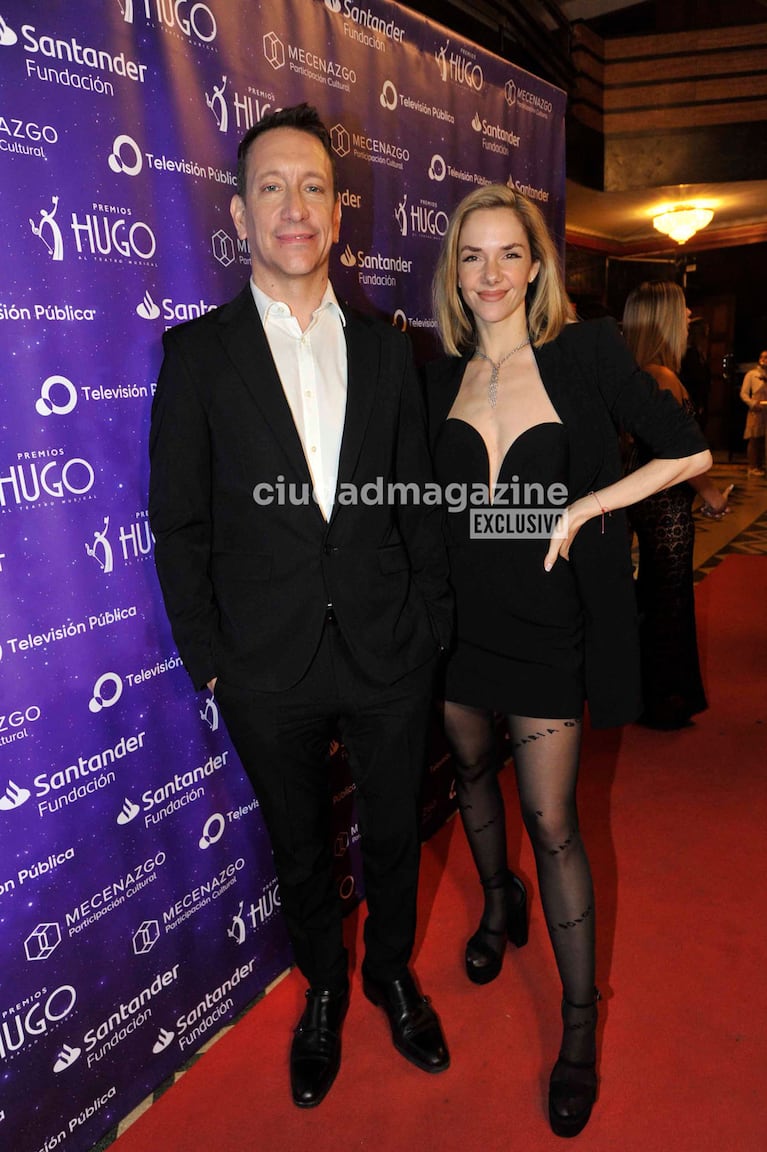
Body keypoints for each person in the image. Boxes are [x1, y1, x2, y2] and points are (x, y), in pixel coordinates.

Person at [148, 104, 454, 1109]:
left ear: (336, 212)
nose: (293, 206)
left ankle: (390, 973)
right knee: (296, 841)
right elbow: (181, 526)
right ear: (239, 214)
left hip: (385, 650)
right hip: (265, 664)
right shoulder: (195, 358)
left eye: (313, 186)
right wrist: (212, 663)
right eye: (270, 186)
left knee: (396, 833)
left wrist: (427, 628)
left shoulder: (384, 349)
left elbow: (413, 501)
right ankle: (324, 983)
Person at [425, 184, 711, 1138]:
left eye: (510, 254)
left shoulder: (583, 356)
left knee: (551, 820)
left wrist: (587, 506)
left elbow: (689, 453)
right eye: (473, 257)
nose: (492, 274)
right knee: (468, 770)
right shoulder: (440, 376)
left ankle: (579, 1031)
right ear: (454, 273)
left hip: (548, 630)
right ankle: (495, 908)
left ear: (537, 266)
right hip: (460, 625)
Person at [622, 281, 730, 730]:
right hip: (665, 508)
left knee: (657, 596)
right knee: (668, 600)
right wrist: (709, 494)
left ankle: (653, 696)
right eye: (682, 310)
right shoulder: (661, 376)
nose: (689, 318)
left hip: (655, 503)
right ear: (663, 319)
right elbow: (681, 452)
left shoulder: (644, 372)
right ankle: (663, 701)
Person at [680, 316, 711, 433]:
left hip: (699, 401)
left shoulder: (698, 354)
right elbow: (695, 380)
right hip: (694, 401)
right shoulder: (690, 355)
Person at [739, 349, 767, 476]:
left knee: (762, 439)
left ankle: (760, 465)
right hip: (756, 409)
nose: (764, 359)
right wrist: (752, 404)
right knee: (754, 438)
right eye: (762, 357)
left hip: (765, 410)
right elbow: (743, 393)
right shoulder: (752, 374)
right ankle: (752, 466)